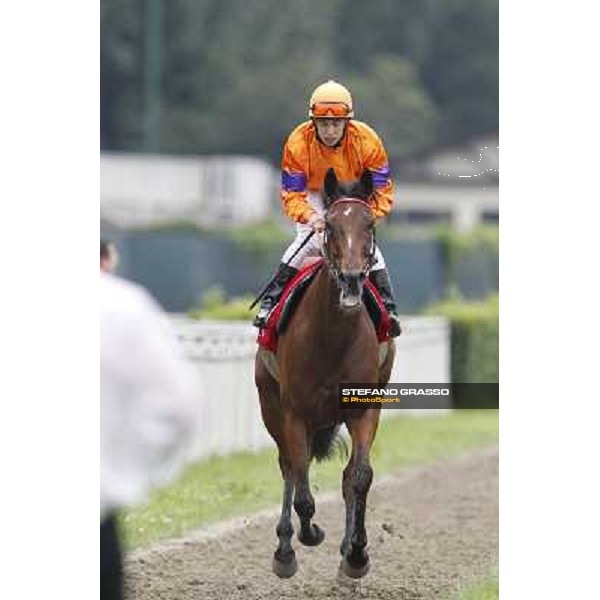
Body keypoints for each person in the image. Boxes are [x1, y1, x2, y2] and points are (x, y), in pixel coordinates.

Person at [253, 80, 402, 336]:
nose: (330, 130)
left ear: (347, 122)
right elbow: (292, 194)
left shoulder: (367, 140)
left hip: (353, 194)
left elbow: (383, 190)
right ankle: (270, 303)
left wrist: (366, 218)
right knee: (304, 244)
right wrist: (311, 217)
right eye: (323, 123)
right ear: (313, 122)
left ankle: (389, 310)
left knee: (368, 250)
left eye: (336, 123)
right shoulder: (298, 142)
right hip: (313, 195)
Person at [100, 272, 200, 599]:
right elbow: (179, 406)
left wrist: (365, 396)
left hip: (356, 253)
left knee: (366, 286)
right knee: (288, 274)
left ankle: (361, 394)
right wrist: (313, 218)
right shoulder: (122, 305)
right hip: (320, 243)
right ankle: (270, 319)